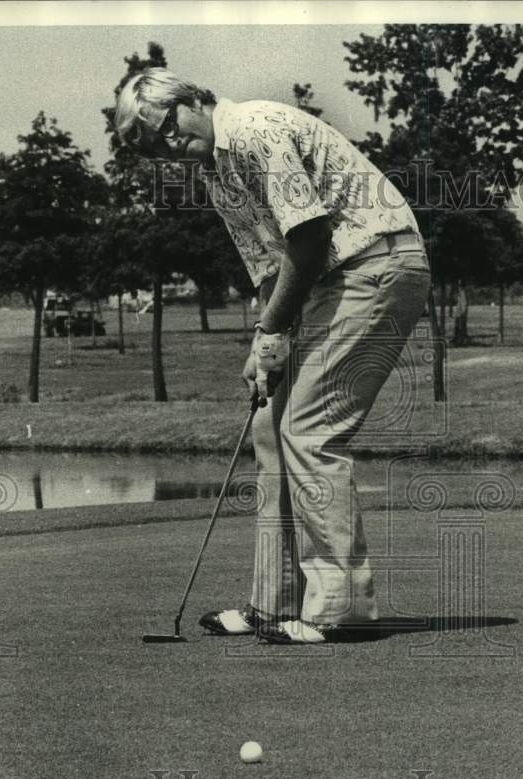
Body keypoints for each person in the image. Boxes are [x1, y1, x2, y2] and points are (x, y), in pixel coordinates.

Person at [115, 68, 430, 644]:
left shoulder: (255, 127)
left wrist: (273, 329)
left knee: (310, 429)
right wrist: (264, 345)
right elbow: (270, 265)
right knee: (267, 426)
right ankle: (273, 602)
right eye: (149, 147)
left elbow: (307, 237)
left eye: (165, 128)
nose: (166, 147)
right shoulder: (215, 170)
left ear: (190, 100)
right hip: (327, 279)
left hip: (376, 266)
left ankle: (341, 610)